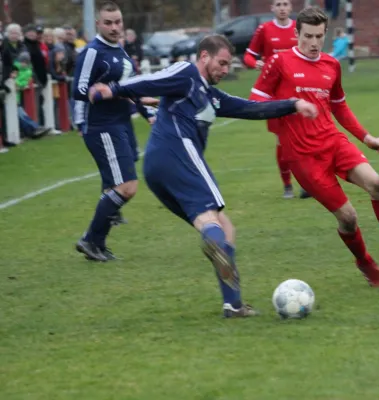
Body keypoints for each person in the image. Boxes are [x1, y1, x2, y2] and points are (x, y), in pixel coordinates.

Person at [88, 34, 318, 317]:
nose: (224, 69)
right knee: (215, 225)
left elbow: (250, 108)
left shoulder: (211, 96)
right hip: (176, 151)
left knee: (222, 227)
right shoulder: (187, 74)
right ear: (204, 57)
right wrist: (112, 89)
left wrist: (292, 104)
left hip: (160, 168)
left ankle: (232, 304)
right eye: (221, 63)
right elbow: (152, 79)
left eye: (227, 65)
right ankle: (219, 261)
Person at [250, 7, 379, 287]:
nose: (314, 43)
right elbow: (255, 102)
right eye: (308, 36)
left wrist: (367, 138)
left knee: (377, 184)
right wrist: (290, 106)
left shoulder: (331, 65)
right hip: (302, 156)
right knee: (348, 217)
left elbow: (339, 106)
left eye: (319, 36)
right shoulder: (279, 62)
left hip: (333, 142)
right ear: (296, 34)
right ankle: (365, 263)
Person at [72, 1, 155, 262]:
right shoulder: (92, 52)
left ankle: (96, 243)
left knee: (120, 184)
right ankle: (90, 239)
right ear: (98, 24)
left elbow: (129, 90)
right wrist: (101, 91)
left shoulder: (121, 53)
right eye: (108, 22)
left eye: (117, 21)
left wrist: (148, 114)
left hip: (121, 124)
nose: (114, 27)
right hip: (103, 127)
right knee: (126, 186)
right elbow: (79, 89)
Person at [243, 0, 310, 199]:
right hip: (273, 91)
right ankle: (288, 184)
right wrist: (255, 63)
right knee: (282, 140)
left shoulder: (298, 29)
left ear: (291, 8)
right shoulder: (264, 29)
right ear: (272, 8)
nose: (282, 8)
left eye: (285, 4)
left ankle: (306, 183)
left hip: (296, 89)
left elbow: (307, 53)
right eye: (278, 4)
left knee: (302, 137)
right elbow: (248, 56)